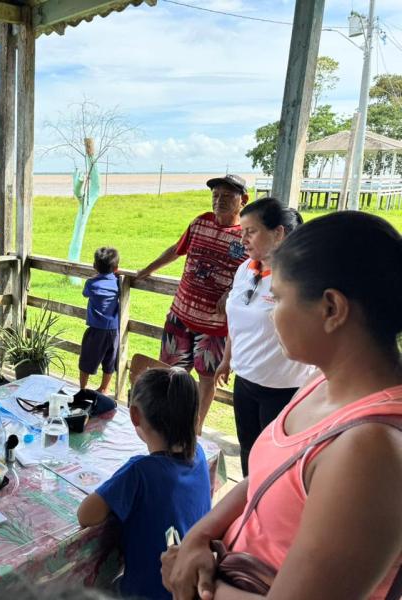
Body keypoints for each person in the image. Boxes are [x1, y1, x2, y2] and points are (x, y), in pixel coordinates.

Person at [162, 211, 402, 600]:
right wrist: (198, 537)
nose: (271, 314)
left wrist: (194, 582)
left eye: (278, 299)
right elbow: (261, 480)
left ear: (331, 309)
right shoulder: (322, 383)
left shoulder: (370, 451)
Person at [78, 367, 211, 600]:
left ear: (135, 415)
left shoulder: (140, 472)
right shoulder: (199, 454)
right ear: (194, 417)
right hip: (187, 587)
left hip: (144, 593)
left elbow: (85, 515)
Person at [135, 174, 248, 431]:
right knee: (170, 373)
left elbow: (255, 272)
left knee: (206, 379)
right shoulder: (200, 222)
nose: (219, 201)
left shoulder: (246, 235)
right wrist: (147, 269)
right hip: (181, 314)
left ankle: (194, 430)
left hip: (214, 325)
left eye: (227, 197)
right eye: (215, 196)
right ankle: (168, 424)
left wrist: (233, 291)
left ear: (243, 200)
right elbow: (177, 249)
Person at [214, 197, 312, 476]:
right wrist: (227, 359)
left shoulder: (297, 278)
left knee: (275, 461)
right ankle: (249, 507)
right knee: (248, 448)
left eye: (251, 231)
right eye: (242, 231)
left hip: (283, 387)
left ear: (278, 233)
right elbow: (236, 318)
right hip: (245, 379)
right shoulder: (245, 269)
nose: (243, 239)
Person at [78, 247, 120, 394]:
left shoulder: (91, 284)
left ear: (94, 266)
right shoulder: (117, 283)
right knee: (110, 360)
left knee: (87, 359)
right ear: (116, 268)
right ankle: (104, 388)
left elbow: (85, 294)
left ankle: (82, 389)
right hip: (114, 330)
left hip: (95, 330)